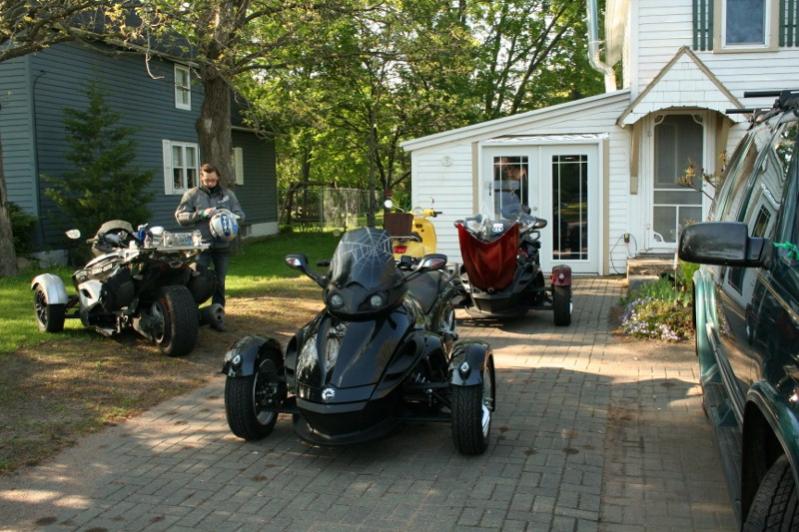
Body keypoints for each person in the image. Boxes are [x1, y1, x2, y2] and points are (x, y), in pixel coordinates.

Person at [175, 163, 245, 327]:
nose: (210, 183)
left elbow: (242, 215)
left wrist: (230, 216)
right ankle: (190, 315)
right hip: (201, 246)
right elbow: (180, 217)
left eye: (213, 180)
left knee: (220, 282)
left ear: (218, 178)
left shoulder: (228, 195)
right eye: (207, 180)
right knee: (197, 280)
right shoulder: (192, 195)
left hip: (222, 246)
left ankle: (217, 316)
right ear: (201, 178)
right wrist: (200, 214)